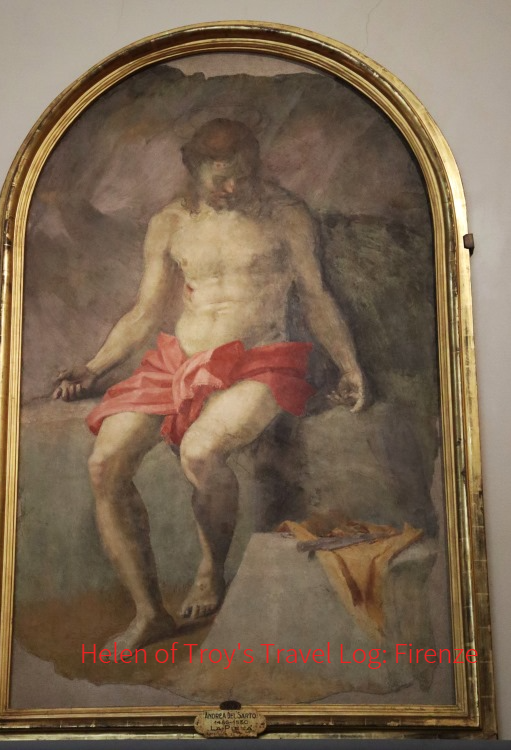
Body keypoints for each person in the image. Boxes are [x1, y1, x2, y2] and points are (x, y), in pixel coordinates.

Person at [53, 118, 366, 650]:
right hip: (180, 362)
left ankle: (210, 568)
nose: (232, 187)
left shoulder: (286, 216)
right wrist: (93, 366)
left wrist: (350, 366)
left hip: (261, 362)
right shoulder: (170, 222)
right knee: (105, 464)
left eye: (242, 175)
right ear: (193, 170)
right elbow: (144, 311)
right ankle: (149, 613)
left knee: (200, 452)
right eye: (220, 178)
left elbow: (315, 297)